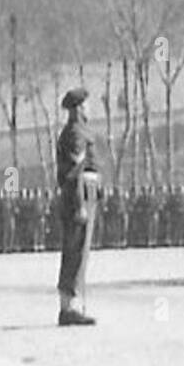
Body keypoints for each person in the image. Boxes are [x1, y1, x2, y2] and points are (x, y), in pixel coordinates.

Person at [56, 87, 101, 325]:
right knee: (75, 251)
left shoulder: (78, 131)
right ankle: (70, 307)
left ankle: (72, 304)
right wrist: (80, 204)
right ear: (80, 108)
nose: (89, 109)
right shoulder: (75, 133)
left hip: (84, 192)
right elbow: (74, 173)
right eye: (87, 105)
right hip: (80, 194)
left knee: (77, 251)